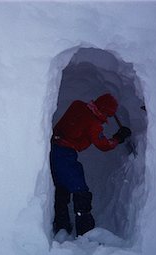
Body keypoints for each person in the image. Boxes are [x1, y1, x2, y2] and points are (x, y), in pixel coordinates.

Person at [50, 93, 131, 236]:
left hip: (54, 149)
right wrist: (118, 138)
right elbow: (103, 145)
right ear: (104, 110)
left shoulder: (77, 104)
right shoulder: (94, 124)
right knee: (81, 190)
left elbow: (79, 122)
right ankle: (85, 231)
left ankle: (61, 225)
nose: (107, 117)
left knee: (62, 187)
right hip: (65, 154)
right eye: (108, 114)